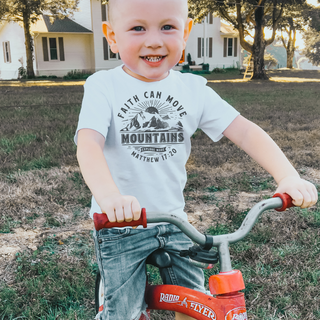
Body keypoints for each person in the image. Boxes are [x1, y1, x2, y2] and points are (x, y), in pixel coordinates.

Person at [74, 0, 318, 319]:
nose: (154, 40)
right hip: (121, 223)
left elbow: (245, 132)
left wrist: (287, 176)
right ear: (112, 36)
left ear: (186, 31)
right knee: (124, 313)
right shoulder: (103, 86)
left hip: (175, 223)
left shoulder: (193, 89)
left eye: (168, 27)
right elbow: (88, 143)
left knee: (197, 305)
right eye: (137, 28)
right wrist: (109, 197)